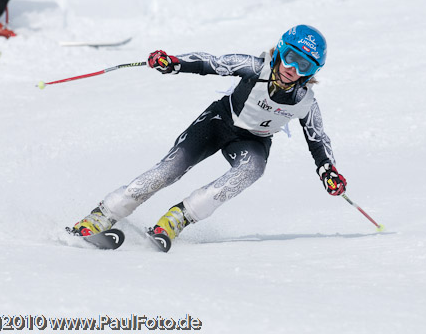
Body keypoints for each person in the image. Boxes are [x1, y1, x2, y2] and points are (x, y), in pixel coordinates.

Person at [70, 25, 348, 244]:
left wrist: (328, 170)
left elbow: (317, 139)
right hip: (219, 122)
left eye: (305, 66)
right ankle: (102, 216)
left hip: (254, 139)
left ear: (313, 72)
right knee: (171, 169)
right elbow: (212, 63)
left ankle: (176, 219)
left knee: (253, 169)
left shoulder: (305, 102)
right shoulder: (254, 68)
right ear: (279, 51)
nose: (292, 69)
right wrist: (174, 63)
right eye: (290, 58)